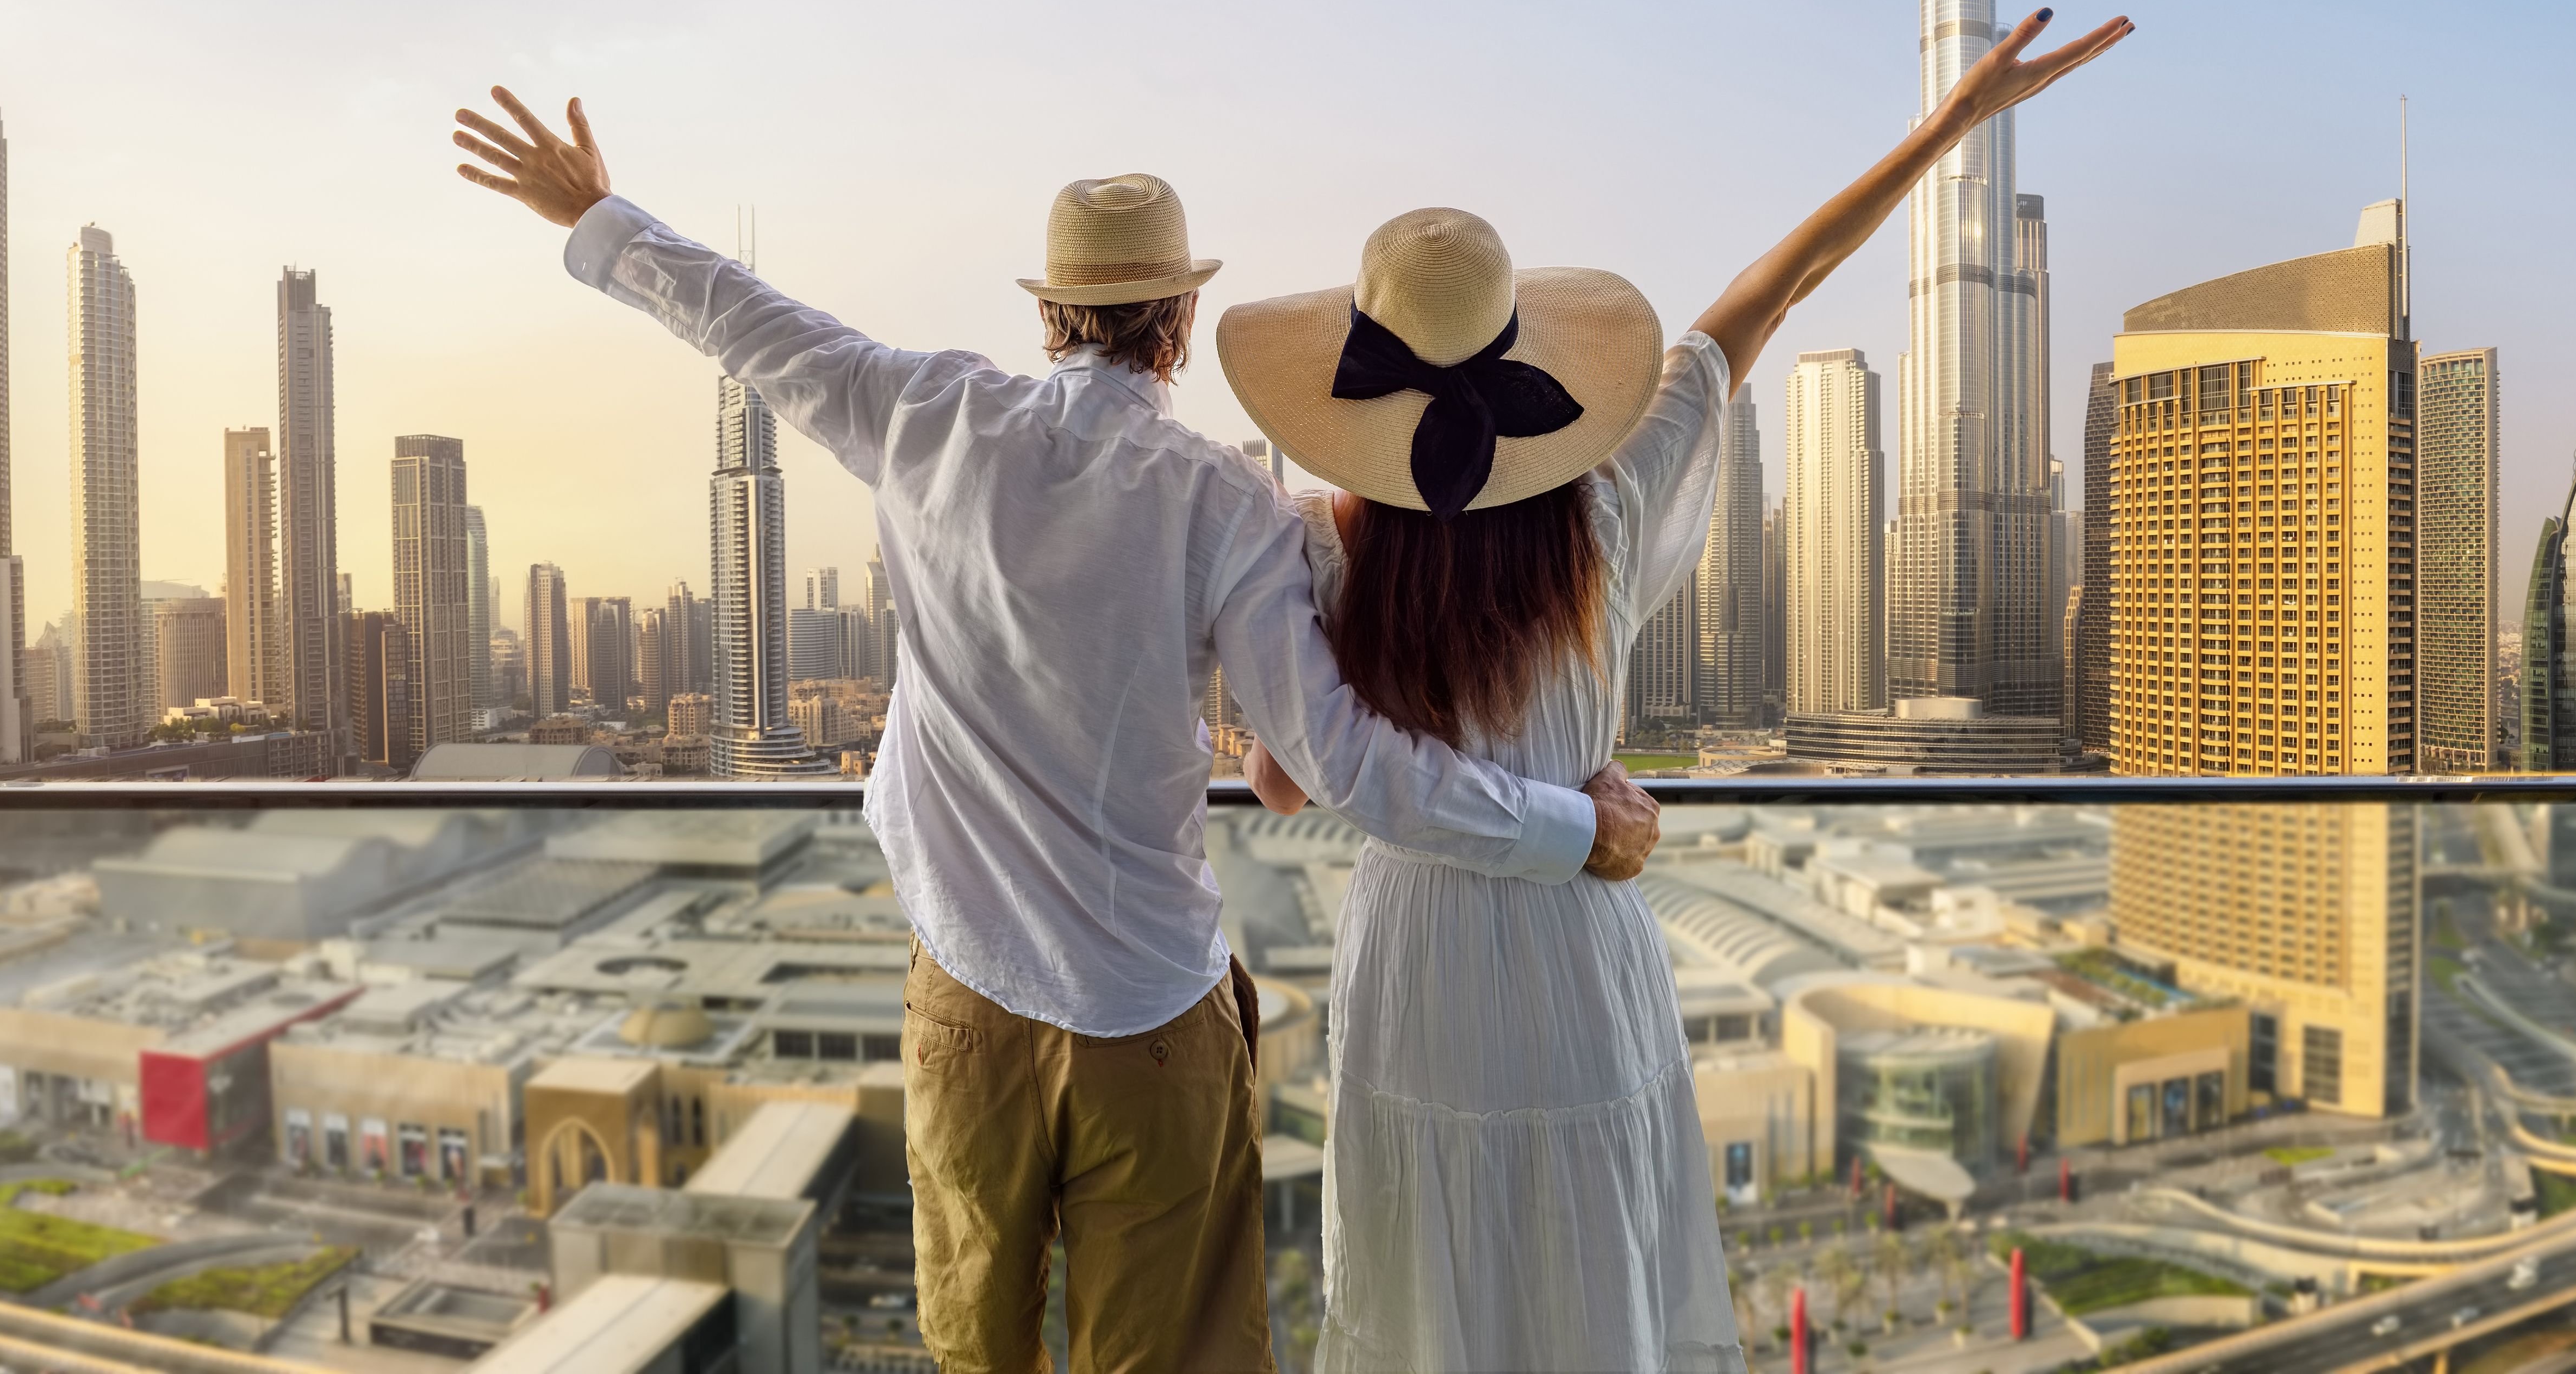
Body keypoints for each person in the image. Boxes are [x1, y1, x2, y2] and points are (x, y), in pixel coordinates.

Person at [448, 92, 1664, 1373]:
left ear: (1048, 315)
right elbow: (1343, 761)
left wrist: (595, 213)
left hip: (966, 1002)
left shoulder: (924, 417)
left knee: (976, 1352)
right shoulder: (1224, 501)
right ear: (1180, 323)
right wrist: (1575, 829)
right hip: (1151, 1019)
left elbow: (745, 319)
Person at [1228, 6, 2131, 1372]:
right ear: (1524, 361)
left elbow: (1287, 779)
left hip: (1418, 968)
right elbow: (1772, 293)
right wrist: (1946, 131)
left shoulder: (1320, 549)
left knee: (1430, 1295)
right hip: (1578, 949)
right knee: (1597, 1285)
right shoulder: (1607, 513)